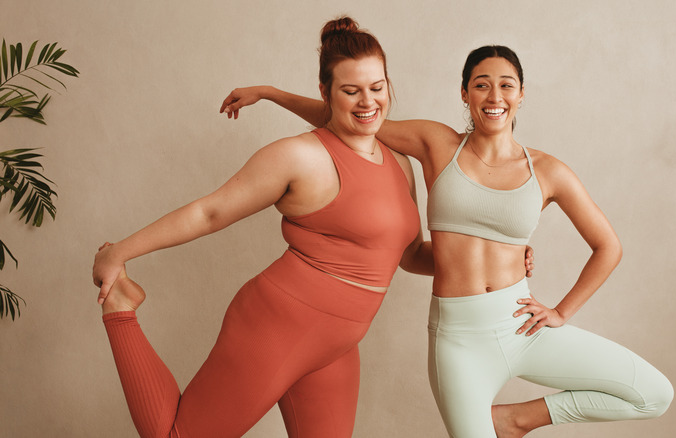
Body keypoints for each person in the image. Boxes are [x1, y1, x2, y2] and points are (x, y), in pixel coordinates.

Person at [222, 44, 673, 438]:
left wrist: (561, 311)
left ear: (521, 94)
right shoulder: (438, 143)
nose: (494, 97)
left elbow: (607, 246)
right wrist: (272, 93)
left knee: (653, 394)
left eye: (506, 85)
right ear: (464, 93)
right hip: (459, 341)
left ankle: (514, 421)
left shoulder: (549, 170)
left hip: (521, 326)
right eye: (481, 85)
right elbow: (350, 118)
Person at [93, 17, 433, 438]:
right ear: (325, 92)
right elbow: (210, 213)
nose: (368, 101)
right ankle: (121, 309)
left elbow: (412, 256)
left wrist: (499, 258)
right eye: (351, 90)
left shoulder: (400, 163)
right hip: (279, 325)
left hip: (337, 345)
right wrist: (119, 252)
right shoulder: (299, 156)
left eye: (377, 87)